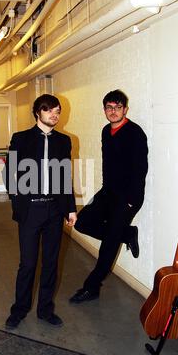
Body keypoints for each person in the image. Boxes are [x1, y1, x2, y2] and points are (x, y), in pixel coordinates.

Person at [4, 94, 77, 329]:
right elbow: (9, 173)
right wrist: (17, 201)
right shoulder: (21, 139)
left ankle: (45, 310)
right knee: (27, 263)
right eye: (49, 111)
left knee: (51, 262)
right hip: (30, 210)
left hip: (55, 211)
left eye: (57, 111)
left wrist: (71, 209)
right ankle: (20, 309)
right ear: (38, 112)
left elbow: (65, 177)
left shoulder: (64, 141)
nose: (54, 115)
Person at [70, 89, 148, 303]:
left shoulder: (134, 132)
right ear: (104, 109)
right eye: (109, 107)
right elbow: (108, 164)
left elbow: (140, 167)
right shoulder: (106, 130)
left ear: (125, 109)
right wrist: (104, 189)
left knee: (109, 242)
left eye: (118, 107)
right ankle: (127, 234)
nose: (113, 111)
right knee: (82, 223)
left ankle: (91, 286)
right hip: (108, 192)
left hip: (128, 197)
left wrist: (132, 198)